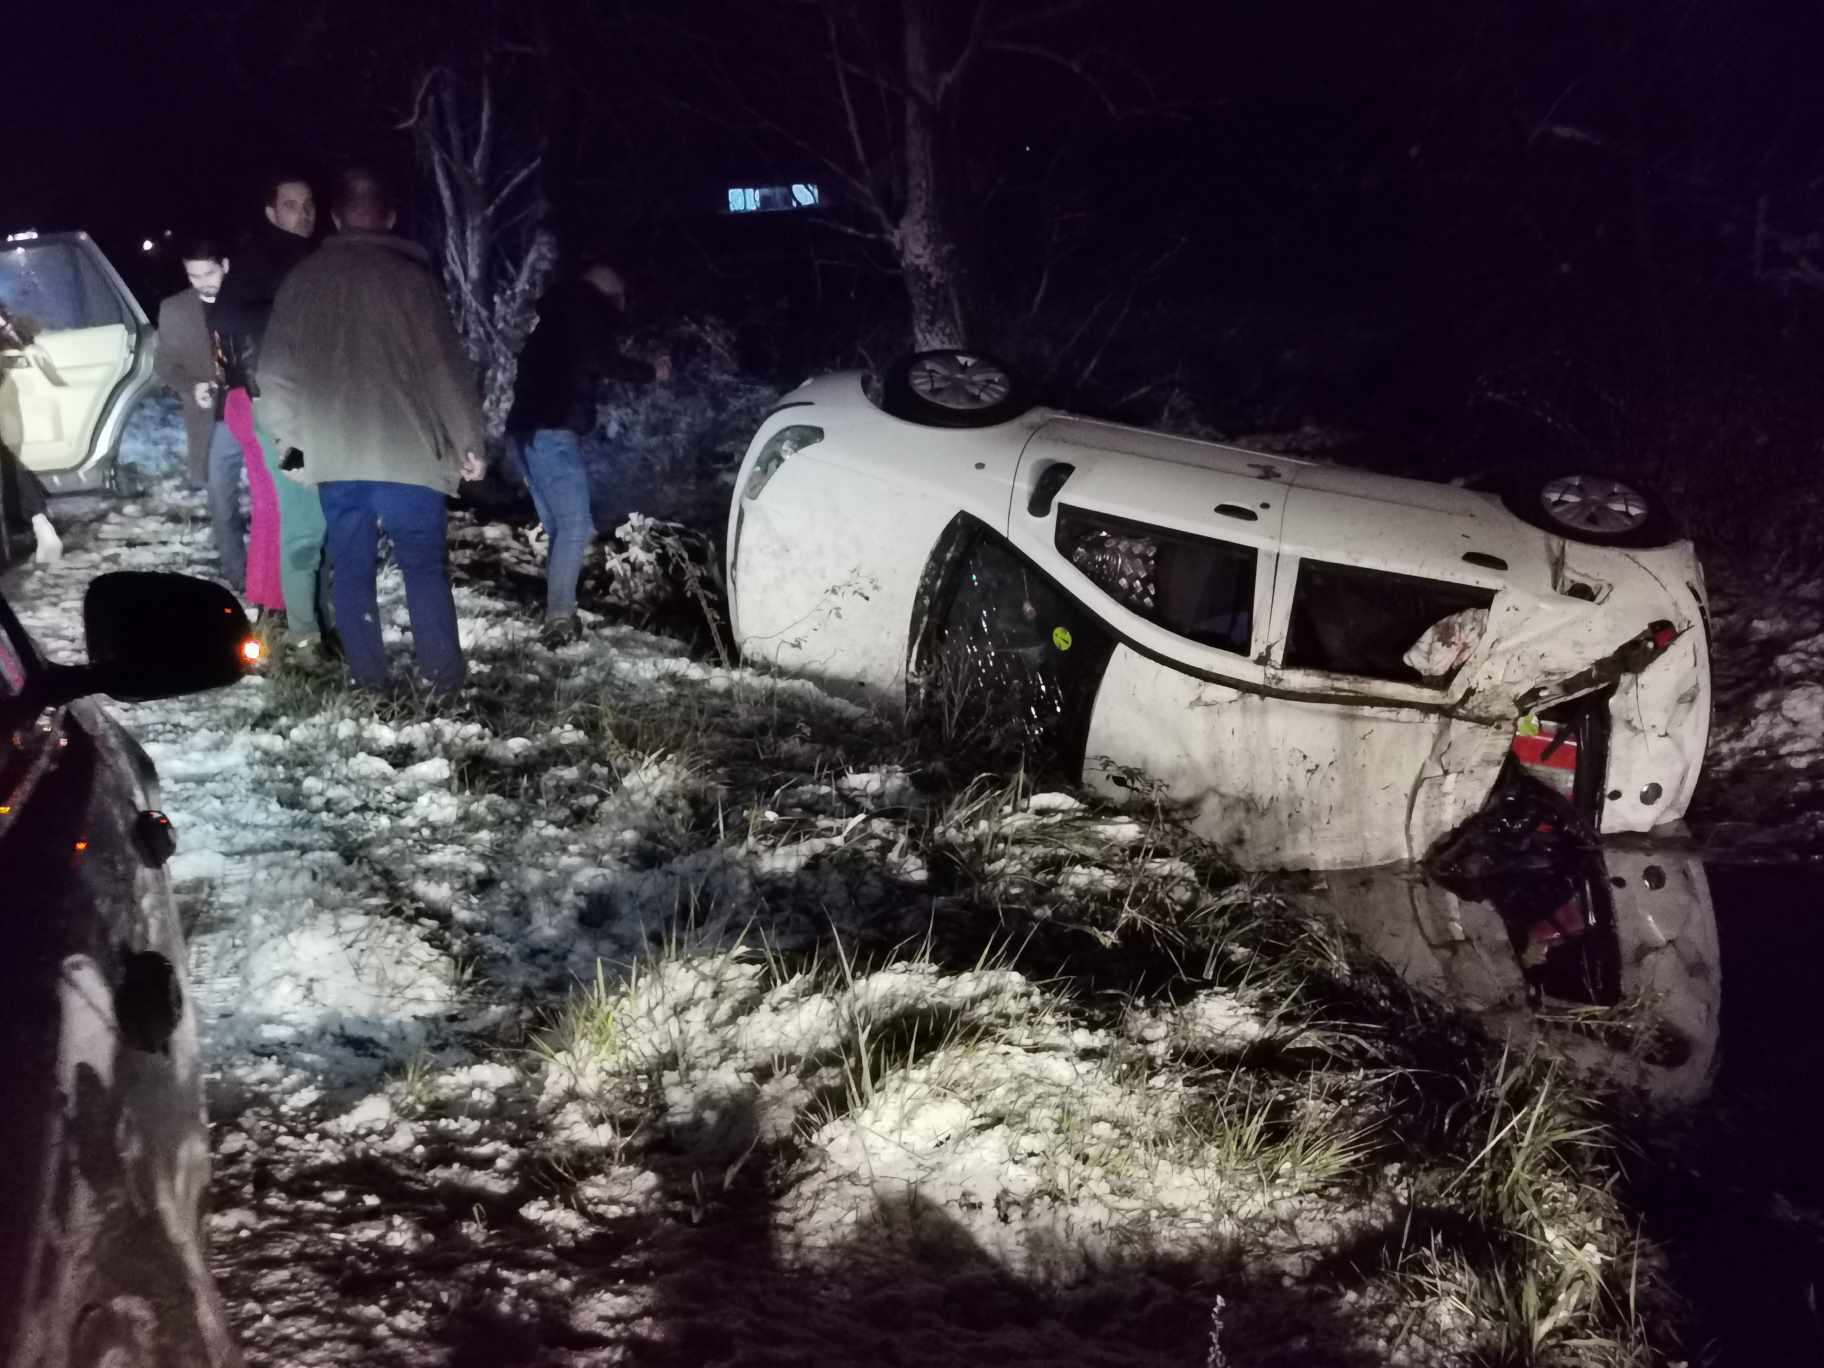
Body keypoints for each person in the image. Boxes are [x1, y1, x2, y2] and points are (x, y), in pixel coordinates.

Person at [258, 166, 484, 694]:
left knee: (351, 569)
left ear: (336, 219)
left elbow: (273, 375)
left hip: (336, 456)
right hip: (411, 454)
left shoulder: (304, 279)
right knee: (423, 568)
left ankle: (368, 678)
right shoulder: (414, 281)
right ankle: (443, 680)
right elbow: (444, 369)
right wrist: (468, 443)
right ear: (391, 218)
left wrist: (292, 448)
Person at [506, 263, 670, 645]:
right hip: (551, 435)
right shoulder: (583, 313)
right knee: (575, 525)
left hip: (526, 434)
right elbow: (601, 359)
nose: (623, 309)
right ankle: (560, 620)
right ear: (609, 296)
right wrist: (652, 372)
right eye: (621, 299)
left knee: (561, 528)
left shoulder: (556, 316)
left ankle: (557, 609)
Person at [214, 172, 330, 647]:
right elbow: (228, 320)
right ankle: (298, 630)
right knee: (298, 514)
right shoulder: (261, 260)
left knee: (302, 511)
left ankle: (300, 616)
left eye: (309, 204)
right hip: (276, 412)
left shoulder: (313, 256)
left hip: (308, 408)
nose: (303, 213)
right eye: (290, 205)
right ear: (270, 212)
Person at [154, 241, 246, 589]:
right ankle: (239, 576)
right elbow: (164, 366)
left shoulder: (249, 296)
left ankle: (281, 573)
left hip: (260, 412)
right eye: (193, 276)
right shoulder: (175, 309)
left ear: (226, 265)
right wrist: (191, 386)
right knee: (221, 501)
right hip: (214, 421)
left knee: (277, 500)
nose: (203, 282)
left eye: (209, 273)